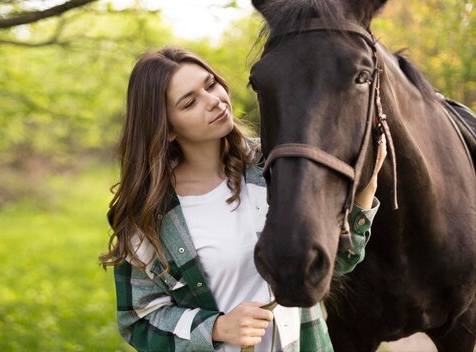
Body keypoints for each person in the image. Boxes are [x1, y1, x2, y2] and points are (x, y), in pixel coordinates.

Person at [99, 47, 385, 352]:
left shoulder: (277, 167)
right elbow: (138, 319)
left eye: (210, 85)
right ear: (167, 128)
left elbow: (335, 262)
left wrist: (367, 189)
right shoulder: (151, 215)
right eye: (190, 102)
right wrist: (216, 328)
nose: (213, 101)